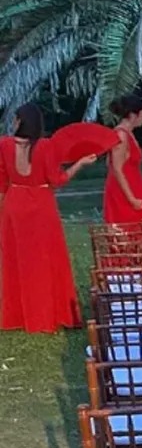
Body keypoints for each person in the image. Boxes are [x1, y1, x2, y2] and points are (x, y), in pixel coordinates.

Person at [0, 104, 97, 332]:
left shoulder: (4, 145)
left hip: (14, 204)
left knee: (17, 259)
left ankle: (18, 315)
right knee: (46, 259)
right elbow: (57, 180)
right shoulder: (45, 146)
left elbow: (2, 181)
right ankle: (48, 313)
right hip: (41, 205)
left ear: (19, 121)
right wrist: (80, 163)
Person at [102, 93, 142, 238]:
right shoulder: (121, 135)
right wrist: (131, 199)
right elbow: (116, 168)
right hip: (125, 191)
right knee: (133, 229)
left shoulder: (128, 134)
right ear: (133, 115)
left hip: (134, 186)